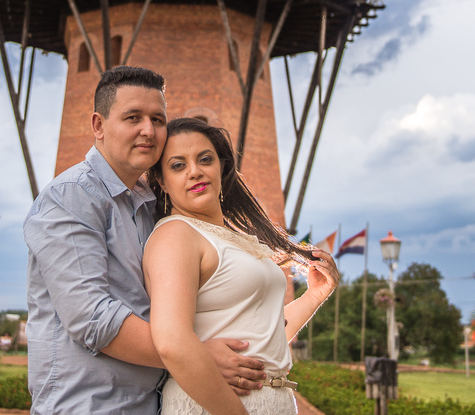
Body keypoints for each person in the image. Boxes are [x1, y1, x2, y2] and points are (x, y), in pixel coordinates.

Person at [24, 67, 267, 415]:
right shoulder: (71, 198)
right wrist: (194, 353)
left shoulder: (153, 205)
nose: (148, 131)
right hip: (88, 406)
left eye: (158, 118)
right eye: (133, 117)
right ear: (98, 125)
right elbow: (91, 317)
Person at [143, 117, 339, 415]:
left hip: (270, 400)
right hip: (215, 404)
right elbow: (172, 341)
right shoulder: (176, 234)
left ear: (221, 167)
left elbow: (263, 337)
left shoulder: (238, 239)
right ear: (161, 181)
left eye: (205, 159)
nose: (195, 172)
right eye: (178, 165)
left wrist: (314, 296)